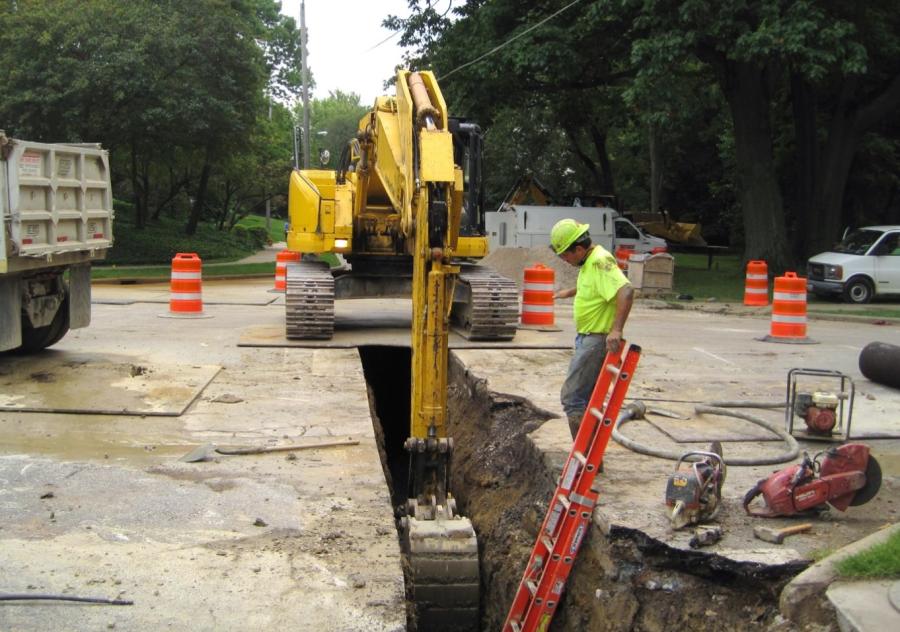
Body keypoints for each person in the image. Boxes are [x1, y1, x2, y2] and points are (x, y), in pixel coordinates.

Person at [550, 218, 634, 439]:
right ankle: (590, 458)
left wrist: (616, 330)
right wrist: (569, 292)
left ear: (579, 249)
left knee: (573, 398)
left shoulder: (599, 261)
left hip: (596, 340)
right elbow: (592, 286)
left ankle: (584, 456)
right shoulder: (589, 263)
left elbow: (625, 290)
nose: (565, 261)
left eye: (566, 256)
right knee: (585, 399)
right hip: (588, 338)